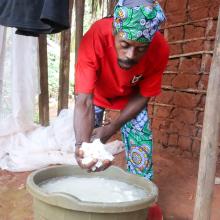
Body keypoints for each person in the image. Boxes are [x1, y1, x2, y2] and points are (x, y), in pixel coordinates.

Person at [74, 0, 169, 181]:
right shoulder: (96, 36)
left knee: (141, 148)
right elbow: (84, 99)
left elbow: (143, 95)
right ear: (114, 32)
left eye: (141, 49)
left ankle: (140, 198)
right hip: (95, 95)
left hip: (131, 99)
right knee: (87, 152)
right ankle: (88, 193)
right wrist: (81, 144)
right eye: (125, 45)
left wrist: (112, 128)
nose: (131, 55)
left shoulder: (160, 49)